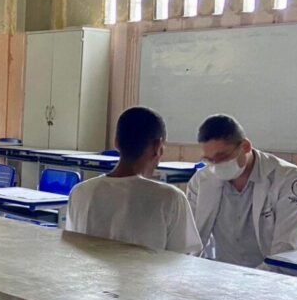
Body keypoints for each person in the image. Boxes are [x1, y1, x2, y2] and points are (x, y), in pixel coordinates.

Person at [65, 107, 202, 254]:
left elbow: (73, 250)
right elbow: (186, 259)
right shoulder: (171, 198)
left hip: (89, 270)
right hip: (146, 270)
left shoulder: (80, 192)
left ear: (116, 143)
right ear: (157, 147)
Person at [188, 114, 297, 268]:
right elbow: (190, 241)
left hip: (275, 275)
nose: (216, 165)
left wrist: (251, 280)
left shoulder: (289, 179)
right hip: (224, 273)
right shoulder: (201, 181)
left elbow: (285, 250)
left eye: (223, 156)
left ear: (245, 146)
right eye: (209, 160)